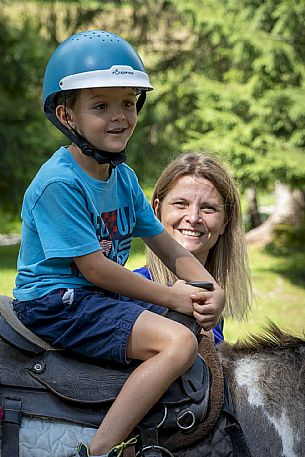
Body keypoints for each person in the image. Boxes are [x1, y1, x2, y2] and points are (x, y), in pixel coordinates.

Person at [12, 31, 225, 457]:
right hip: (56, 300)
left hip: (93, 296)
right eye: (100, 105)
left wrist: (207, 289)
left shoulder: (123, 179)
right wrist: (173, 297)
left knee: (187, 330)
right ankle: (102, 448)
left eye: (128, 102)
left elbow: (169, 248)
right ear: (66, 115)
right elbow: (95, 268)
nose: (119, 116)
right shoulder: (59, 183)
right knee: (178, 342)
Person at [135, 152, 252, 342]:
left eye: (208, 208)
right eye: (181, 204)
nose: (194, 217)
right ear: (156, 211)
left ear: (225, 222)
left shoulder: (211, 305)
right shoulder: (136, 293)